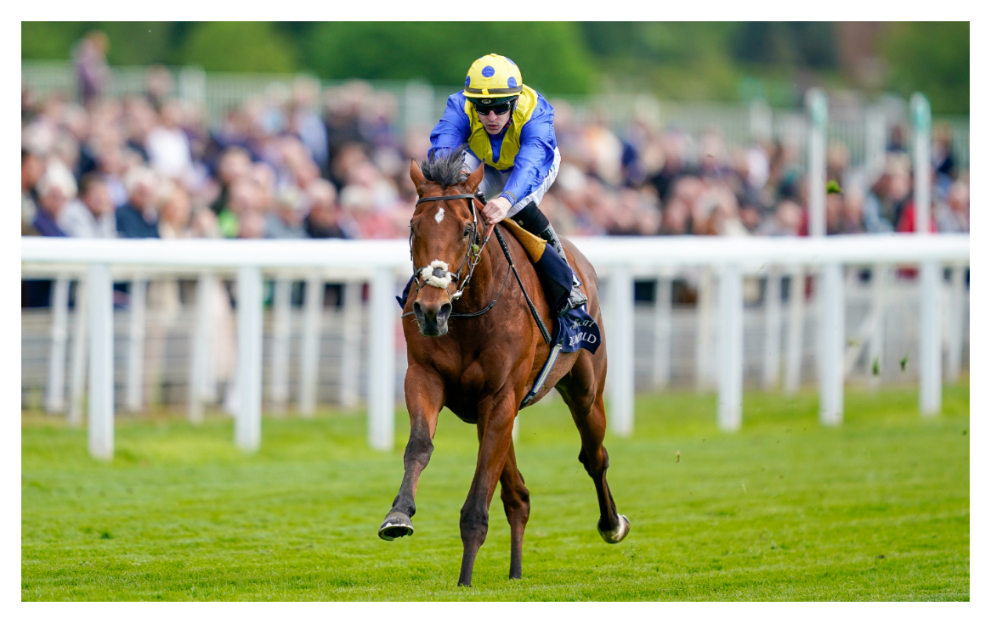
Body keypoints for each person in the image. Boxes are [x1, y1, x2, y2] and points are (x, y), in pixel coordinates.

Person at [428, 53, 586, 314]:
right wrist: (452, 189)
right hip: (487, 162)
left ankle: (569, 280)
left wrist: (506, 198)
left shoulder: (535, 110)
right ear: (472, 103)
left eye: (500, 108)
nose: (491, 117)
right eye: (483, 108)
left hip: (533, 165)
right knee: (451, 197)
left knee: (516, 208)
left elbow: (531, 163)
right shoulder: (459, 105)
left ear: (514, 102)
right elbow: (443, 149)